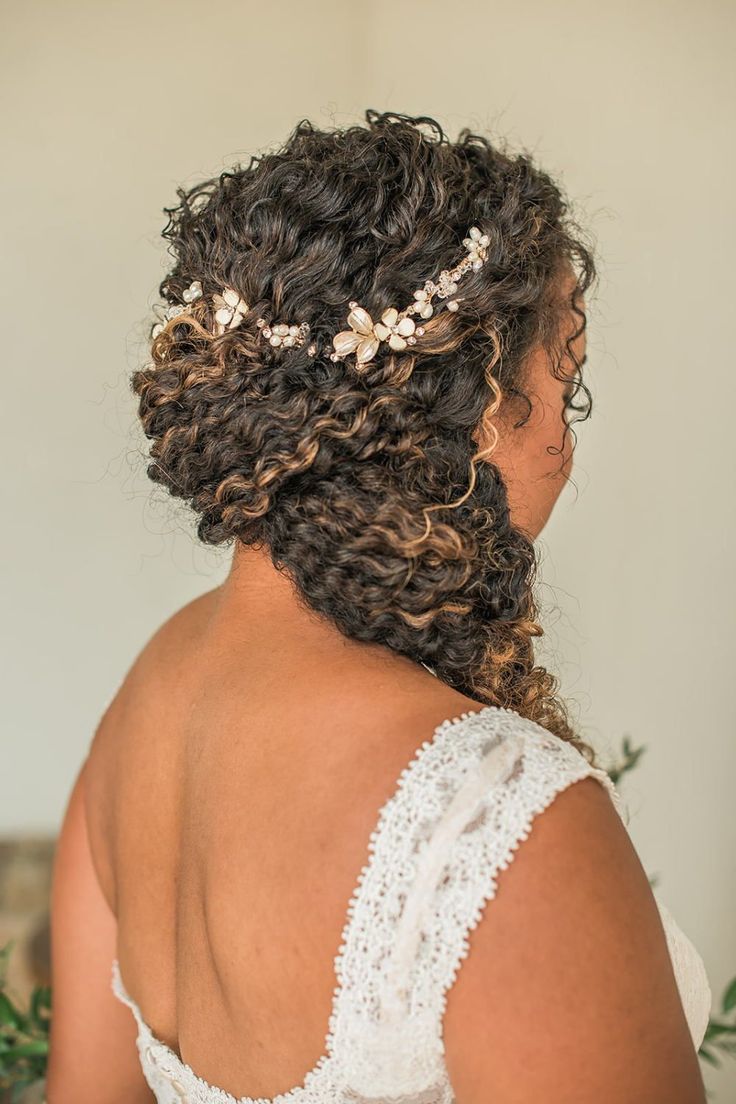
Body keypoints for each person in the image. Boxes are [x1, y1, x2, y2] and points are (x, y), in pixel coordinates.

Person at [45, 109, 710, 1103]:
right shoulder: (501, 819)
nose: (563, 448)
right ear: (478, 410)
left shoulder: (152, 692)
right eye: (562, 385)